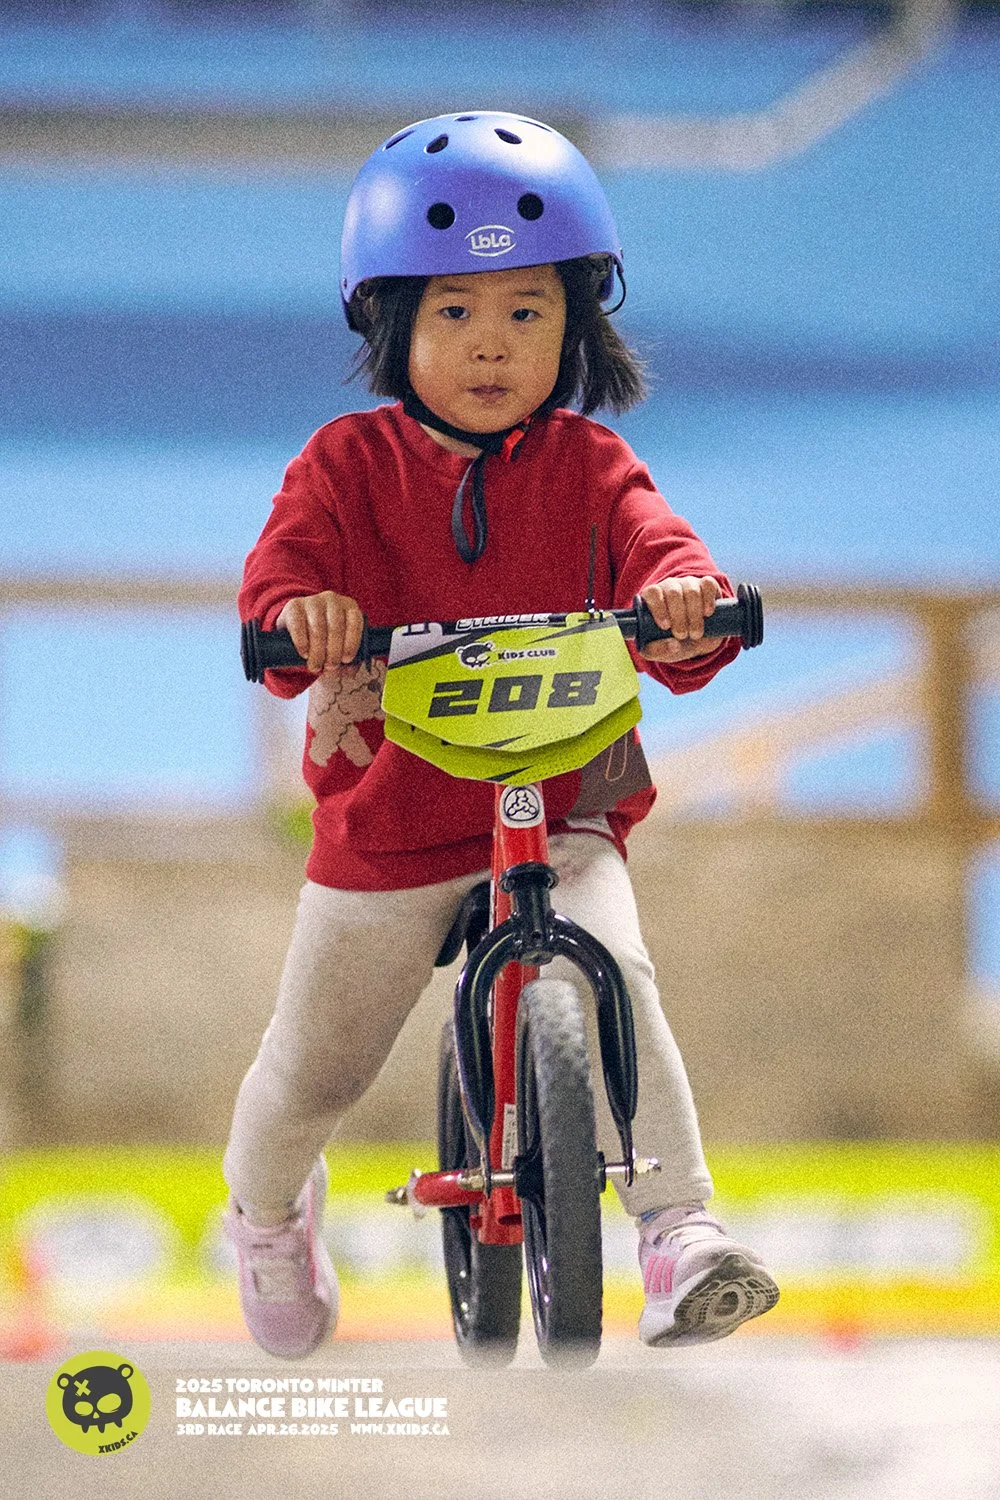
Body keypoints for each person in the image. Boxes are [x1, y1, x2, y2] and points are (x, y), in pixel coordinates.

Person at [224, 110, 778, 1358]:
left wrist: (682, 604)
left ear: (577, 325)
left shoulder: (592, 466)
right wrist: (303, 614)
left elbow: (661, 556)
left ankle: (677, 1229)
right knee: (313, 1069)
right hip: (395, 826)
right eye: (455, 312)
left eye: (528, 311)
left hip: (562, 803)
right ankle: (265, 1216)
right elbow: (281, 586)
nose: (492, 343)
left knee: (617, 973)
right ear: (390, 325)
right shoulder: (345, 466)